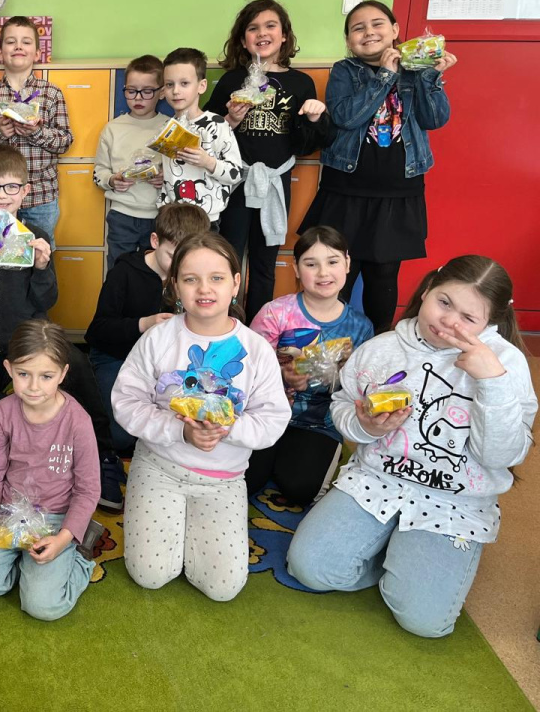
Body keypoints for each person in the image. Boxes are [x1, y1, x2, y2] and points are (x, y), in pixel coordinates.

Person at [287, 256, 535, 638]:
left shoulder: (506, 365)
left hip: (453, 502)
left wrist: (493, 384)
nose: (448, 321)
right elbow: (344, 407)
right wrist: (365, 426)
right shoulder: (382, 348)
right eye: (444, 302)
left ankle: (412, 561)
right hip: (377, 481)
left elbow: (501, 456)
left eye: (468, 318)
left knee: (424, 621)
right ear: (429, 287)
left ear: (491, 321)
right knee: (309, 568)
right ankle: (392, 555)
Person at [112, 233, 291, 602]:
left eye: (217, 278)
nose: (204, 288)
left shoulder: (256, 349)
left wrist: (230, 427)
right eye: (191, 279)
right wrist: (179, 431)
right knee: (150, 574)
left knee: (223, 587)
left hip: (222, 480)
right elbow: (126, 402)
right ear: (175, 285)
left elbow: (273, 419)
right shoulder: (158, 338)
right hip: (160, 467)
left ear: (236, 283)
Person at [0, 145, 128, 511]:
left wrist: (43, 266)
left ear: (25, 191)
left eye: (12, 187)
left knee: (76, 364)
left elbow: (45, 300)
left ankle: (103, 454)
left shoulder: (35, 234)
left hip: (26, 341)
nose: (2, 196)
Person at [299, 0, 457, 333]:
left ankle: (378, 343)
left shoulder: (417, 69)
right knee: (336, 272)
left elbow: (435, 118)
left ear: (395, 30)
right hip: (346, 190)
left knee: (383, 275)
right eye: (358, 28)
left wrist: (432, 77)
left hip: (398, 193)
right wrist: (385, 75)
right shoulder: (345, 71)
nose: (369, 32)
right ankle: (329, 343)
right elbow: (346, 117)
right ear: (348, 40)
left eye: (377, 24)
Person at [205, 0, 333, 320]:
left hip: (275, 183)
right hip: (235, 183)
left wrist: (314, 118)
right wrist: (231, 120)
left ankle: (260, 328)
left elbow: (305, 146)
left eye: (270, 26)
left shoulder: (300, 83)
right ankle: (225, 322)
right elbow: (206, 136)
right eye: (253, 28)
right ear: (243, 40)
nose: (262, 33)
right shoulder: (232, 81)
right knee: (228, 258)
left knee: (265, 263)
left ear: (284, 35)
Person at [0, 320, 100, 621]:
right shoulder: (2, 413)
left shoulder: (78, 421)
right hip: (9, 513)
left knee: (43, 606)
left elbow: (88, 489)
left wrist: (64, 538)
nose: (34, 386)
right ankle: (24, 565)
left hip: (56, 520)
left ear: (62, 374)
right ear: (9, 369)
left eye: (46, 376)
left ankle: (79, 557)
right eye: (24, 374)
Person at [246, 226, 374, 504]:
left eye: (332, 262)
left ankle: (293, 458)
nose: (323, 273)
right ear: (296, 268)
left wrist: (343, 375)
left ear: (347, 263)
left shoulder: (361, 327)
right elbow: (247, 371)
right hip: (265, 412)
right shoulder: (275, 313)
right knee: (245, 480)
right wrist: (282, 376)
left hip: (318, 424)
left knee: (301, 489)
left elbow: (358, 389)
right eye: (311, 264)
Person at [85, 203, 210, 452]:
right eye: (173, 256)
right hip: (117, 357)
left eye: (188, 259)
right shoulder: (124, 272)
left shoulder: (194, 278)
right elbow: (98, 331)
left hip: (169, 364)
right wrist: (144, 324)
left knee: (190, 427)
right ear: (155, 241)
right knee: (121, 437)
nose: (180, 267)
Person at [0, 16, 72, 239]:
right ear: (0, 53)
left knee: (41, 251)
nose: (18, 47)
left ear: (37, 53)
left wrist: (37, 132)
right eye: (10, 41)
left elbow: (64, 142)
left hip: (40, 197)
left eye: (26, 42)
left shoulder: (51, 93)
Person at [94, 54, 171, 267]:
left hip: (159, 215)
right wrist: (112, 180)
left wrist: (166, 178)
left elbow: (181, 171)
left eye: (147, 91)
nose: (138, 98)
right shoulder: (113, 128)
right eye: (131, 90)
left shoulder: (169, 127)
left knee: (156, 272)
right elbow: (99, 171)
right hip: (122, 214)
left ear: (161, 92)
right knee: (119, 269)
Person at [156, 48, 243, 225]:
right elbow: (171, 173)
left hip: (205, 219)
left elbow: (235, 174)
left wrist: (208, 162)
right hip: (170, 217)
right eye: (170, 84)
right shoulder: (166, 127)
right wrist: (159, 175)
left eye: (184, 83)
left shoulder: (217, 124)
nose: (175, 91)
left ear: (201, 86)